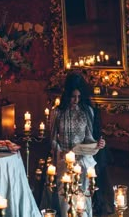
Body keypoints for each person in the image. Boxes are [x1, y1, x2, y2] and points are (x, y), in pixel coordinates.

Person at [46, 72, 106, 217]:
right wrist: (60, 151)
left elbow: (89, 137)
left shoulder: (87, 111)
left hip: (83, 156)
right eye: (73, 97)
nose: (76, 100)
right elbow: (52, 138)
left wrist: (98, 144)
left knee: (83, 190)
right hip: (63, 156)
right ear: (67, 95)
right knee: (64, 190)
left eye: (79, 97)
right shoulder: (57, 112)